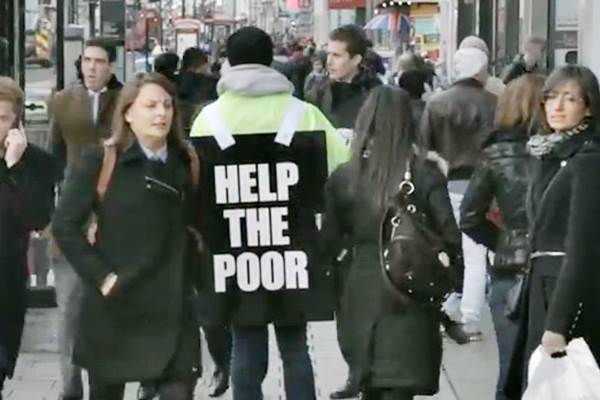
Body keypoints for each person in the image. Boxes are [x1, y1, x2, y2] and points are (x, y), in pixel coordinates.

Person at [189, 26, 347, 400]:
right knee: (295, 347)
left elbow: (196, 188)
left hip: (235, 254)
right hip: (294, 249)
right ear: (270, 60)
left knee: (245, 344)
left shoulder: (209, 119)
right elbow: (344, 170)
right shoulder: (304, 114)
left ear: (228, 61)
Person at [51, 72, 201, 400]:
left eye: (166, 106)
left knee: (178, 391)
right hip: (115, 305)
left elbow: (200, 225)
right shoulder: (102, 160)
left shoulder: (185, 161)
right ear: (128, 113)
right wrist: (103, 278)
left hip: (172, 305)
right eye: (150, 106)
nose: (161, 113)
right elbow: (64, 224)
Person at [321, 85, 462, 400]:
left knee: (371, 382)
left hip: (360, 288)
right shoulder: (425, 176)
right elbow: (451, 237)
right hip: (410, 286)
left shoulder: (345, 177)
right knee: (400, 384)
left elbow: (328, 242)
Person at [505, 65, 600, 398]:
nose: (557, 106)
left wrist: (558, 324)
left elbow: (582, 248)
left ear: (588, 107)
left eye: (570, 98)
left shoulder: (587, 161)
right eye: (551, 97)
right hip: (541, 287)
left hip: (566, 295)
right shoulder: (550, 154)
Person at [305, 25, 380, 399]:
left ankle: (371, 370)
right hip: (331, 201)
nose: (328, 61)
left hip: (371, 203)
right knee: (341, 296)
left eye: (336, 55)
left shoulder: (376, 95)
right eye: (327, 54)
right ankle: (355, 367)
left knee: (370, 292)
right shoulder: (318, 93)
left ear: (356, 60)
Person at [459, 74, 545, 400]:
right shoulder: (568, 154)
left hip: (511, 272)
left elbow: (470, 218)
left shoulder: (495, 155)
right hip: (558, 269)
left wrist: (506, 242)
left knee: (511, 371)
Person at [49, 37, 123, 400]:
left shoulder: (127, 102)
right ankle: (69, 389)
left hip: (117, 220)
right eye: (87, 61)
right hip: (72, 221)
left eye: (99, 61)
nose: (91, 67)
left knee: (113, 313)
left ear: (112, 66)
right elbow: (53, 158)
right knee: (69, 315)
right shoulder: (63, 102)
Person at [420, 46, 497, 340]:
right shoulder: (495, 103)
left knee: (459, 249)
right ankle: (470, 316)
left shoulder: (437, 103)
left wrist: (441, 162)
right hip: (489, 185)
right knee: (480, 253)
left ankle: (460, 308)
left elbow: (424, 146)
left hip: (450, 184)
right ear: (481, 71)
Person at [0, 77, 56, 400]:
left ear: (16, 121)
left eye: (3, 117)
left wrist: (14, 168)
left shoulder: (36, 163)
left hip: (6, 281)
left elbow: (37, 218)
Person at [176, 48, 218, 137]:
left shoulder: (173, 82)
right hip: (205, 131)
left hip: (179, 132)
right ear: (203, 64)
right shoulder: (212, 84)